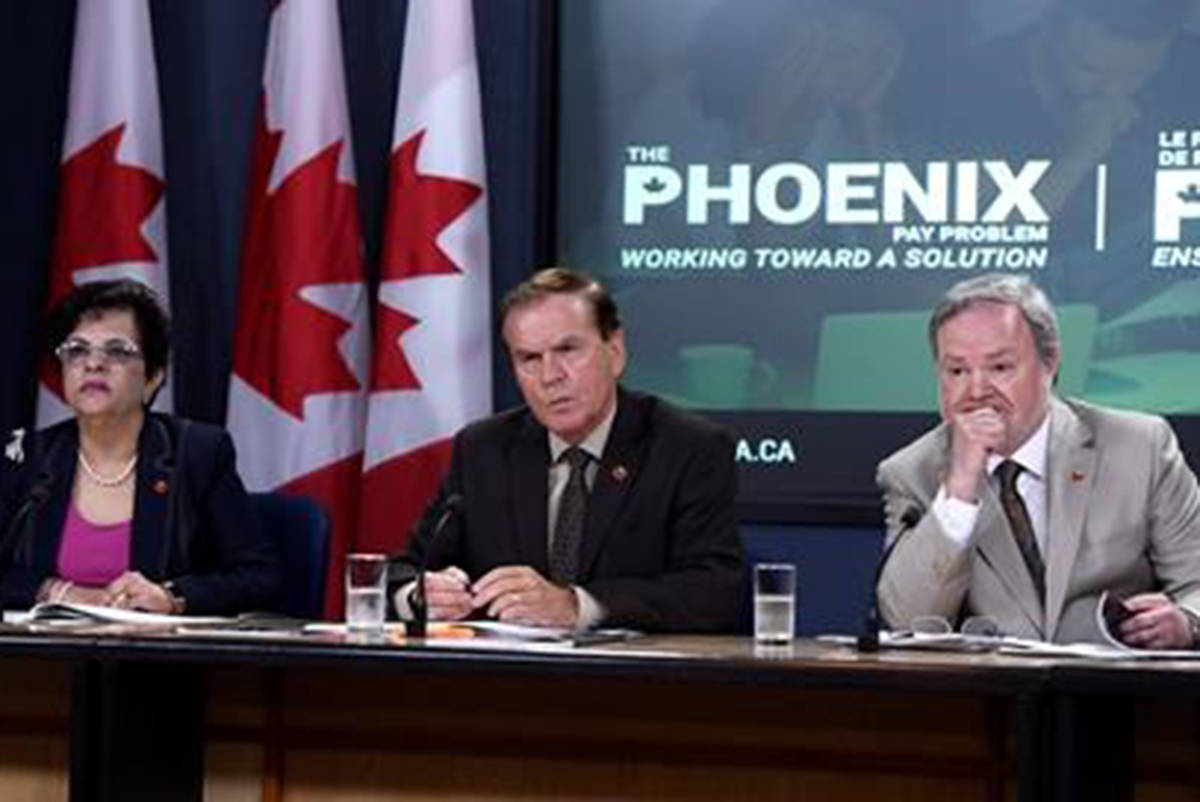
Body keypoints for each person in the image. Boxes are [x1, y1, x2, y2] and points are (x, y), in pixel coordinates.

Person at [388, 268, 745, 632]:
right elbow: (401, 574)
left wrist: (576, 605)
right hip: (506, 683)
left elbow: (714, 592)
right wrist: (421, 596)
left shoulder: (687, 448)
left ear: (615, 351)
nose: (550, 376)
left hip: (635, 683)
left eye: (567, 350)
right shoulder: (484, 450)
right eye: (529, 359)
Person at [876, 274, 1200, 647]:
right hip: (985, 695)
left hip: (1116, 691)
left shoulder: (1139, 447)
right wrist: (959, 488)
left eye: (1000, 368)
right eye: (957, 371)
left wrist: (1186, 622)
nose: (977, 391)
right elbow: (906, 620)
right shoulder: (911, 472)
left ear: (1050, 364)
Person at [0, 280, 281, 615]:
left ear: (153, 378)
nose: (93, 364)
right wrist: (55, 590)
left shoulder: (198, 454)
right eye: (77, 350)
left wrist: (173, 597)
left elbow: (259, 578)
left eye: (117, 351)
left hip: (159, 661)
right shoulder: (27, 457)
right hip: (45, 663)